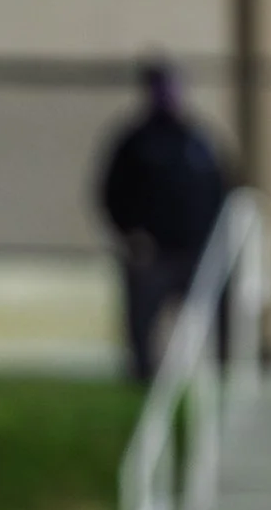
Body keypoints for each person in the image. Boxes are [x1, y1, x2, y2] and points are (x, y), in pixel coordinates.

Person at [96, 60, 230, 381]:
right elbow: (109, 191)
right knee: (142, 322)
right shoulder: (135, 141)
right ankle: (141, 378)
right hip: (152, 253)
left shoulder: (197, 138)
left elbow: (221, 186)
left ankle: (228, 370)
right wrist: (130, 235)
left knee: (218, 313)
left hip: (196, 248)